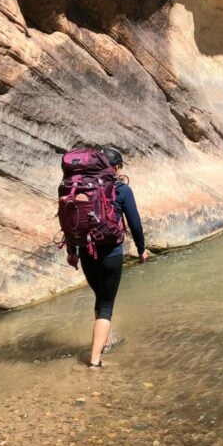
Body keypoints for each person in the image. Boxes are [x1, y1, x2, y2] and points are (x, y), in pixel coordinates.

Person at [66, 146, 148, 368]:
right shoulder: (122, 190)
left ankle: (105, 342)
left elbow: (73, 220)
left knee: (100, 298)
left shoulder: (80, 188)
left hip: (86, 251)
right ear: (116, 167)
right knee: (106, 306)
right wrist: (142, 249)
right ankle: (94, 361)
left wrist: (71, 252)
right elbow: (135, 224)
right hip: (111, 252)